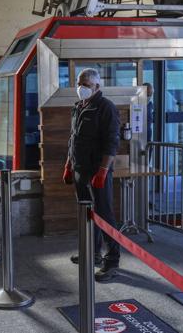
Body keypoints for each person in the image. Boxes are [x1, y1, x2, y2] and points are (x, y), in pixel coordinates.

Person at [63, 68, 121, 282]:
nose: (81, 88)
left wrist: (103, 171)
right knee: (87, 213)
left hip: (98, 171)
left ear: (97, 86)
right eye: (79, 83)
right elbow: (73, 138)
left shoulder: (106, 108)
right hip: (80, 168)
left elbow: (112, 143)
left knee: (104, 214)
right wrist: (69, 164)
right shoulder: (78, 107)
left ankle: (112, 260)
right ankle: (93, 253)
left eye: (86, 84)